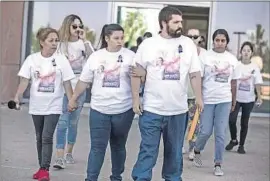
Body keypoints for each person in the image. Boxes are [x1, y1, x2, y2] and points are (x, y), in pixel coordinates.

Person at [131, 6, 203, 181]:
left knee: (174, 153)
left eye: (181, 21)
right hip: (152, 110)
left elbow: (194, 73)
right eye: (176, 22)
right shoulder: (148, 44)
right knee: (148, 150)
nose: (180, 25)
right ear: (164, 23)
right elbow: (135, 72)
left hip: (178, 111)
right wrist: (135, 99)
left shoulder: (187, 44)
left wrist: (199, 98)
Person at [68, 24, 144, 181]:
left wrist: (136, 101)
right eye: (116, 38)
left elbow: (136, 79)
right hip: (99, 111)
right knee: (97, 148)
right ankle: (91, 178)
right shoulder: (96, 57)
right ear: (107, 38)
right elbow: (84, 81)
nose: (120, 41)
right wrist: (73, 98)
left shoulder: (130, 56)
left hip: (123, 111)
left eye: (122, 38)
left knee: (118, 146)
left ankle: (116, 177)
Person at [13, 27, 75, 181]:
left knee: (47, 137)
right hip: (36, 106)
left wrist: (72, 100)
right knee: (39, 137)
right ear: (42, 42)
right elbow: (24, 80)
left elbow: (67, 83)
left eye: (56, 40)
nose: (54, 44)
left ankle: (44, 170)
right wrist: (17, 97)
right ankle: (41, 167)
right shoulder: (32, 59)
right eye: (51, 40)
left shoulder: (61, 59)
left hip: (54, 105)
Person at [193, 29, 241, 176]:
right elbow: (199, 79)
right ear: (213, 41)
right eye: (217, 40)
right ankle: (197, 149)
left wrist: (233, 101)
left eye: (223, 40)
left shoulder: (232, 60)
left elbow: (233, 83)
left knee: (220, 133)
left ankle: (218, 164)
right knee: (205, 131)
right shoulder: (205, 57)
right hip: (207, 100)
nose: (220, 43)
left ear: (226, 42)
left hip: (224, 100)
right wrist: (198, 98)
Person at [53, 14, 94, 169]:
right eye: (74, 26)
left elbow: (94, 58)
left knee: (73, 122)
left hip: (79, 88)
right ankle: (59, 157)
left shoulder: (84, 44)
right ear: (68, 26)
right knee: (62, 121)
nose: (78, 29)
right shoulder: (60, 45)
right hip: (63, 88)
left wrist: (85, 40)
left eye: (80, 26)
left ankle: (69, 153)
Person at [225, 41, 263, 154]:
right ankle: (233, 139)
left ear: (251, 53)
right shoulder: (236, 65)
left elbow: (257, 83)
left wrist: (260, 97)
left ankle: (241, 145)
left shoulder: (254, 67)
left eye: (248, 51)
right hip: (236, 98)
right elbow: (231, 81)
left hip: (249, 99)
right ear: (241, 52)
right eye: (244, 50)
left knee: (244, 122)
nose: (246, 53)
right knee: (231, 120)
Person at [184, 28, 207, 160]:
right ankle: (179, 146)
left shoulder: (205, 55)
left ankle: (192, 148)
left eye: (195, 36)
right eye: (190, 36)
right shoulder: (181, 52)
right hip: (179, 95)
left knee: (194, 124)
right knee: (180, 124)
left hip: (195, 96)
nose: (192, 39)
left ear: (200, 38)